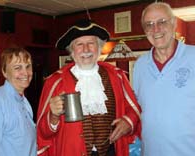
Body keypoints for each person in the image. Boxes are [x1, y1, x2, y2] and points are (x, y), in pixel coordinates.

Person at [37, 19, 141, 156]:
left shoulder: (117, 77)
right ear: (72, 50)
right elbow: (43, 132)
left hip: (111, 151)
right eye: (79, 44)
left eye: (91, 43)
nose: (86, 49)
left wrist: (128, 122)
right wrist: (53, 116)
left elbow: (134, 109)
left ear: (99, 48)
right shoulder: (55, 82)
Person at [133, 2, 195, 156]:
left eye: (162, 22)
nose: (156, 29)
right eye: (149, 24)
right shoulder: (140, 65)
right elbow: (136, 108)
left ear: (173, 24)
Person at [0, 47, 37, 156]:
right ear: (4, 72)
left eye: (28, 66)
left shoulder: (23, 100)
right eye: (18, 68)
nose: (26, 73)